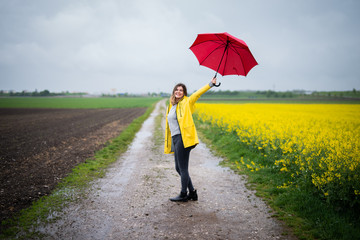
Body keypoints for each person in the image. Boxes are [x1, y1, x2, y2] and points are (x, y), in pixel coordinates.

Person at [164, 77, 217, 202]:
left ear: (184, 93)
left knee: (182, 168)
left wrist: (210, 84)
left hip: (184, 138)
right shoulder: (171, 105)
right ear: (174, 92)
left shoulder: (187, 102)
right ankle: (192, 192)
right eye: (176, 90)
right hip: (175, 139)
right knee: (178, 168)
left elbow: (197, 94)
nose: (178, 92)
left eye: (181, 90)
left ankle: (183, 194)